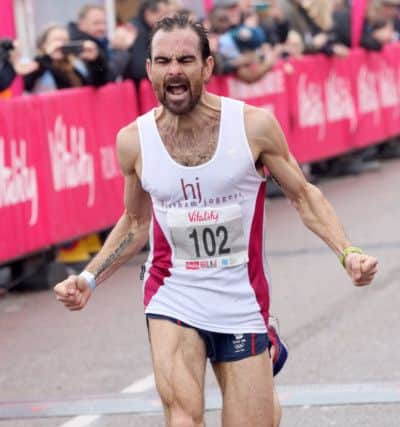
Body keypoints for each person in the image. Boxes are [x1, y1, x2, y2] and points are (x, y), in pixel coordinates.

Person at [54, 14, 379, 427]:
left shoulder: (252, 126)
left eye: (186, 60)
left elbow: (303, 195)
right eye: (164, 61)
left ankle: (264, 353)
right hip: (173, 293)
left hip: (240, 298)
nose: (174, 70)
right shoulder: (133, 141)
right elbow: (135, 223)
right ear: (149, 68)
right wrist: (88, 279)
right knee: (182, 417)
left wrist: (347, 254)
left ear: (207, 66)